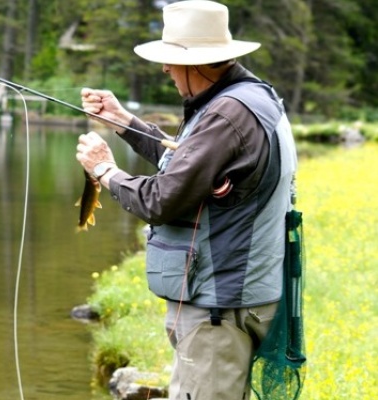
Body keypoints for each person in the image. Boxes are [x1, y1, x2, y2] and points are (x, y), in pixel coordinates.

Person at [75, 1, 298, 399]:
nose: (164, 69)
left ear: (197, 64)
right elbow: (189, 167)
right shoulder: (251, 98)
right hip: (239, 297)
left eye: (170, 61)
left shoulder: (227, 114)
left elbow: (161, 199)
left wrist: (104, 171)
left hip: (220, 309)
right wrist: (124, 121)